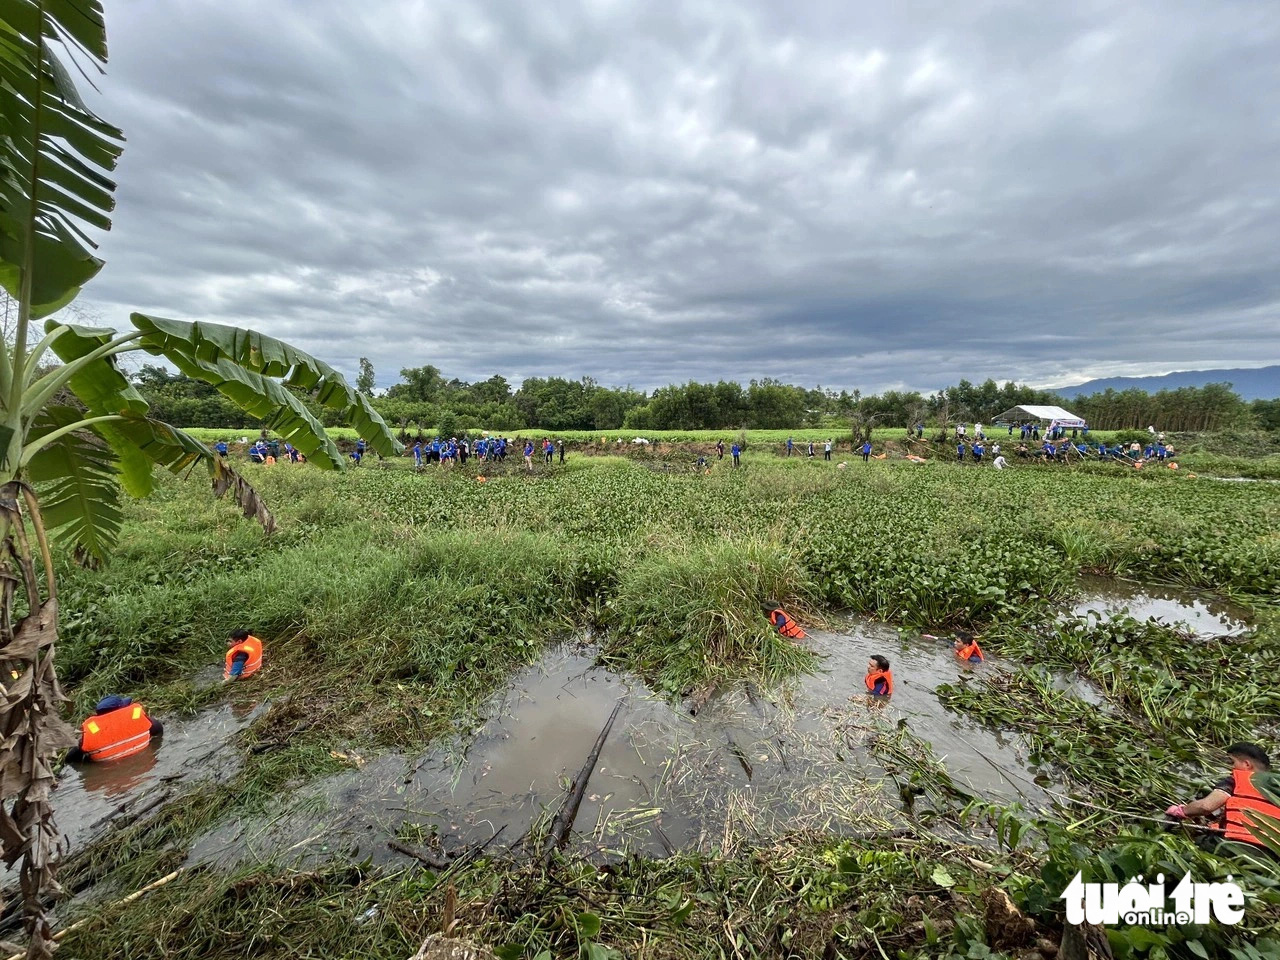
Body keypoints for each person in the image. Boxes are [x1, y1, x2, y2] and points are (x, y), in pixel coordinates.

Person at [1166, 743, 1280, 854]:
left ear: (1246, 764)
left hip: (1234, 846)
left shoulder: (1238, 779)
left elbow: (1206, 806)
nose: (1231, 767)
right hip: (1272, 854)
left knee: (1187, 847)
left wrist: (1182, 811)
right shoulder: (1277, 784)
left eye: (1233, 762)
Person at [66, 695, 163, 763]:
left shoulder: (92, 727)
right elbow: (158, 728)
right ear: (120, 707)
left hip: (105, 765)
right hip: (142, 757)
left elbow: (71, 757)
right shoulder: (133, 715)